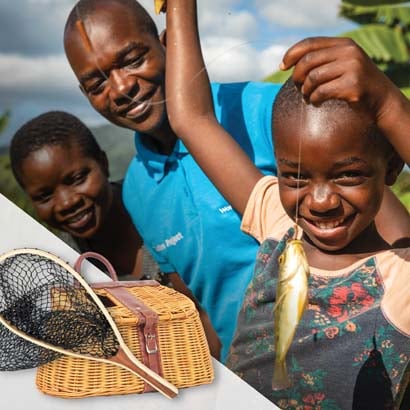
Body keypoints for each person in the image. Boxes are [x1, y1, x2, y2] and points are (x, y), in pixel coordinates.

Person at [63, 0, 410, 362]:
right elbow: (201, 309)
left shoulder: (278, 116)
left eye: (133, 59)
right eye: (96, 83)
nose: (120, 88)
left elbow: (395, 239)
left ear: (168, 43)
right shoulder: (136, 190)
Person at [164, 1, 410, 408]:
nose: (320, 200)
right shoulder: (279, 224)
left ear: (391, 169)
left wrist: (388, 104)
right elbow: (192, 118)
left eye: (348, 175)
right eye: (295, 177)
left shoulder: (400, 279)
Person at [9, 110, 161, 281]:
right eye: (44, 196)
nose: (66, 203)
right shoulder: (61, 267)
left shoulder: (162, 206)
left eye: (77, 179)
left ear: (103, 163)